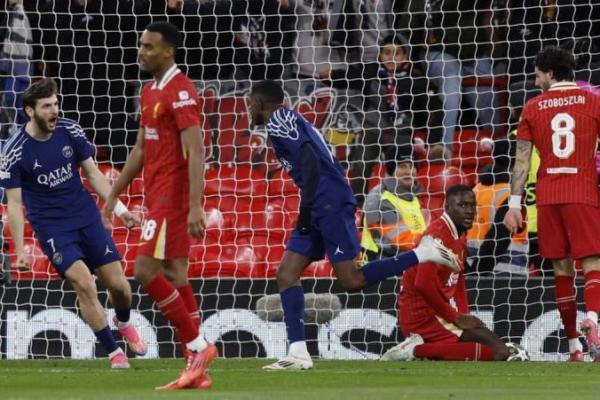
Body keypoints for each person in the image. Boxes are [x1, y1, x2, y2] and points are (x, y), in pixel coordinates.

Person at [247, 80, 461, 371]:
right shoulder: (288, 118)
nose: (248, 109)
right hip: (317, 200)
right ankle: (298, 353)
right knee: (286, 273)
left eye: (250, 103)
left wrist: (308, 209)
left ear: (260, 103)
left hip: (327, 200)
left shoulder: (279, 119)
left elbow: (310, 159)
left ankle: (422, 253)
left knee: (352, 280)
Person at [0, 78, 146, 368]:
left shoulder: (70, 129)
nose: (54, 110)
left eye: (56, 104)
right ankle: (114, 352)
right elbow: (14, 204)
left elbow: (93, 174)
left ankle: (124, 321)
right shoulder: (14, 150)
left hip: (85, 216)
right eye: (46, 106)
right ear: (30, 111)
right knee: (84, 283)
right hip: (52, 227)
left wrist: (120, 210)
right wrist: (19, 251)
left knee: (119, 287)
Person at [102, 22, 216, 389]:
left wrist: (196, 205)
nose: (141, 51)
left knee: (144, 269)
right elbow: (140, 148)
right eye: (140, 45)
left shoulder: (181, 91)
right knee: (175, 274)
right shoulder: (150, 90)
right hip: (157, 194)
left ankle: (198, 347)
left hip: (174, 197)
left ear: (168, 51)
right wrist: (114, 194)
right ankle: (197, 369)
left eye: (149, 47)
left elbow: (196, 150)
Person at [504, 46, 600, 362]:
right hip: (582, 192)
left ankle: (573, 347)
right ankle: (595, 319)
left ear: (550, 73)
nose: (535, 82)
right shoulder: (594, 101)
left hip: (547, 198)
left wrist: (514, 205)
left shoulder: (532, 108)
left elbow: (520, 162)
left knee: (561, 270)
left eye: (537, 75)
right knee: (592, 265)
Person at [382, 185, 529, 362]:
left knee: (491, 349)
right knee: (498, 352)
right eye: (462, 205)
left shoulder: (459, 233)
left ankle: (430, 353)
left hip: (438, 311)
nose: (469, 211)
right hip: (422, 315)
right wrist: (455, 317)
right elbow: (423, 284)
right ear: (447, 207)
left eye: (472, 205)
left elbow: (458, 279)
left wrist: (464, 314)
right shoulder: (436, 237)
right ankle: (414, 350)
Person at [360, 149, 426, 263]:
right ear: (391, 170)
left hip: (408, 257)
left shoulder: (412, 197)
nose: (408, 171)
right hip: (381, 265)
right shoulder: (381, 199)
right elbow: (400, 241)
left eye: (412, 166)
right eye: (402, 166)